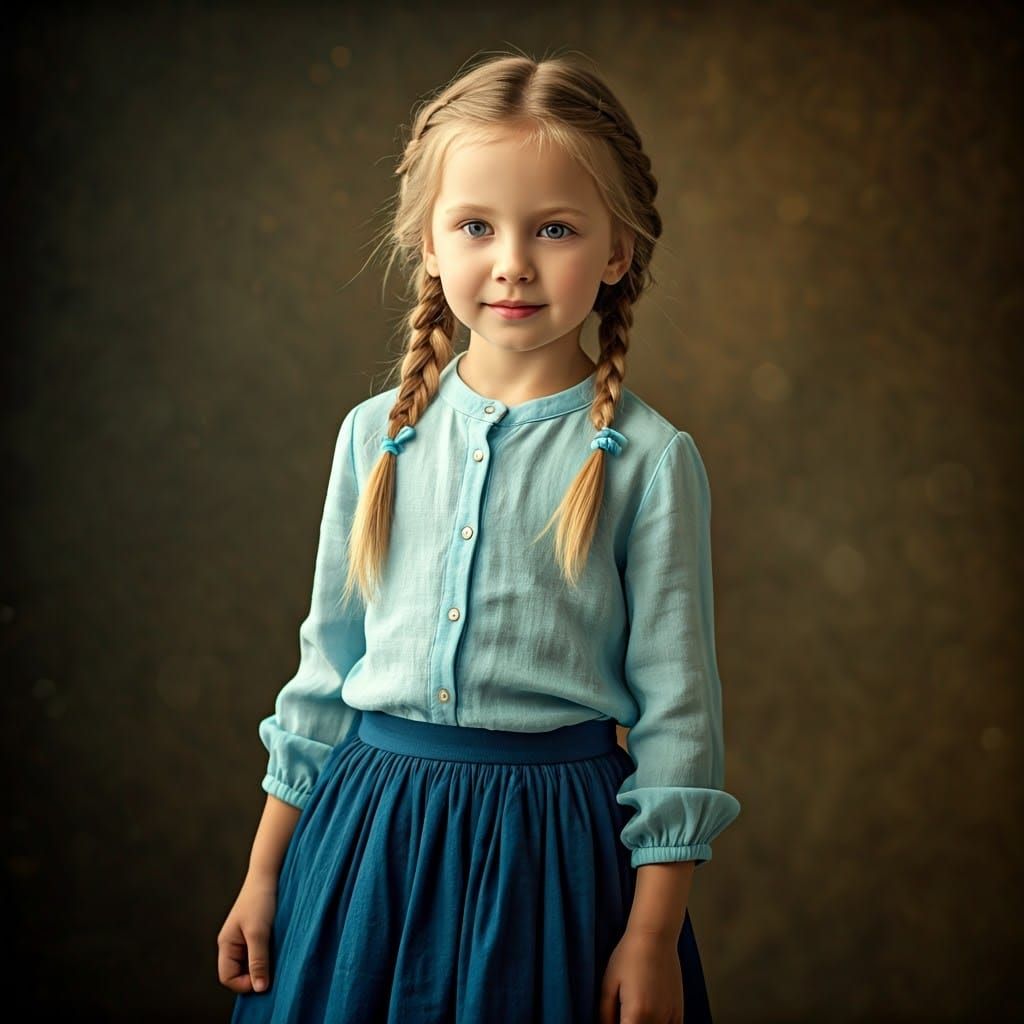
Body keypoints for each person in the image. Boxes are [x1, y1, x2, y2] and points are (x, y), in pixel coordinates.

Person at [217, 49, 742, 1024]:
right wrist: (262, 873)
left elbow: (679, 720)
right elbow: (323, 674)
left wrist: (650, 933)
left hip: (549, 857)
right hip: (361, 843)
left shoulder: (648, 461)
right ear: (427, 242)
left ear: (618, 252)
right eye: (474, 225)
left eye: (554, 229)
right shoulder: (374, 436)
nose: (511, 261)